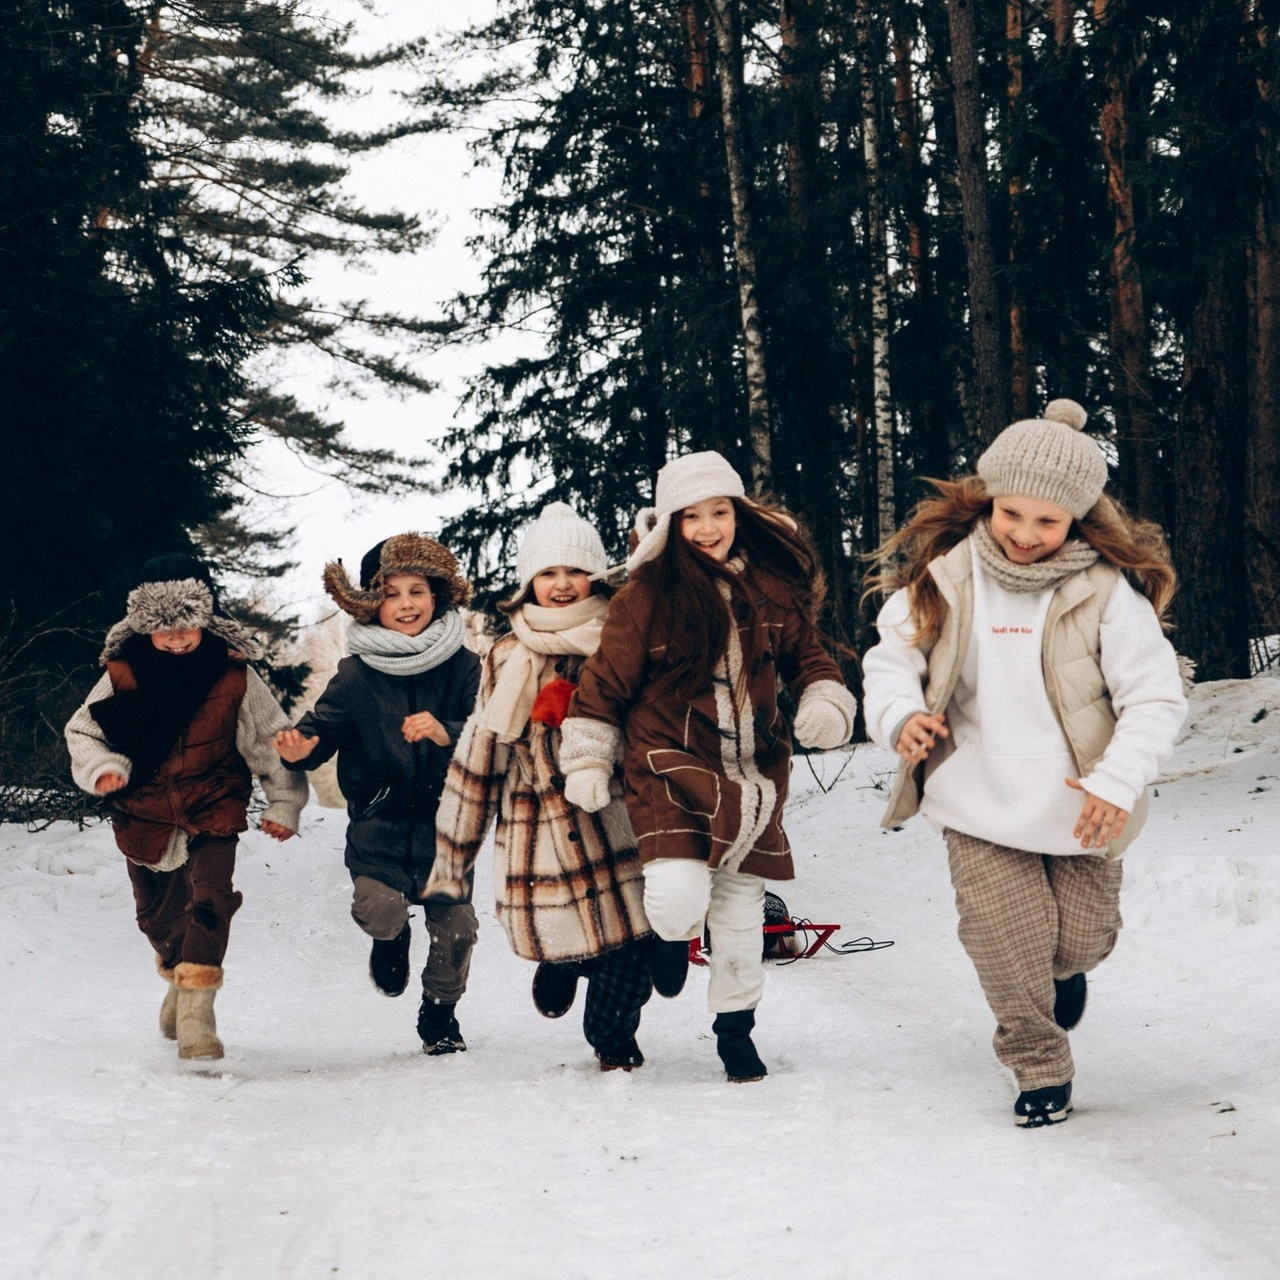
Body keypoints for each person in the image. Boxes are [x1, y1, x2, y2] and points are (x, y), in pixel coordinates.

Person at [861, 399, 1187, 1127]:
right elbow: (890, 662)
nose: (1025, 534)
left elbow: (1155, 698)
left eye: (1049, 521)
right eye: (1012, 513)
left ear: (1079, 518)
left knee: (1081, 940)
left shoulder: (1106, 592)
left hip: (1082, 804)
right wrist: (902, 717)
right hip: (975, 797)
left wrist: (1116, 782)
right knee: (1004, 942)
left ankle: (1065, 973)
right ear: (989, 499)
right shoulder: (946, 577)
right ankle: (1039, 1064)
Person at [559, 452, 856, 1082]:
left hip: (752, 778)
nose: (707, 527)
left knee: (741, 914)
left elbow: (810, 658)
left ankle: (735, 1031)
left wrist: (825, 700)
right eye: (691, 516)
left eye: (719, 512)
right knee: (676, 895)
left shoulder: (771, 588)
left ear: (739, 515)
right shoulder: (645, 599)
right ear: (670, 525)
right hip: (668, 767)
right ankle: (670, 937)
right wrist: (587, 757)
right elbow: (603, 686)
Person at [427, 503, 653, 1071]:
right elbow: (483, 748)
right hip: (539, 827)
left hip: (616, 815)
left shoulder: (624, 639)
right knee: (567, 926)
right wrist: (455, 849)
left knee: (635, 943)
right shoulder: (507, 655)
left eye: (575, 571)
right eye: (548, 573)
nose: (562, 584)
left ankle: (611, 1037)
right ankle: (565, 960)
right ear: (529, 583)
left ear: (596, 576)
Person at [65, 553, 306, 1062]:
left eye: (187, 626)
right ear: (143, 625)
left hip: (213, 803)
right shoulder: (122, 673)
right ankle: (179, 976)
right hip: (143, 811)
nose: (177, 639)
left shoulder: (232, 674)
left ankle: (198, 1017)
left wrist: (284, 802)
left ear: (205, 619)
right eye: (163, 629)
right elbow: (82, 730)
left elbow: (271, 739)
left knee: (211, 902)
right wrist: (102, 766)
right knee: (157, 919)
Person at [275, 534, 481, 1055]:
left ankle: (440, 1012)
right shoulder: (356, 674)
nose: (406, 604)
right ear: (371, 603)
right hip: (379, 823)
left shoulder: (464, 667)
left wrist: (447, 732)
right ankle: (392, 940)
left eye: (417, 591)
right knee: (380, 907)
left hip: (447, 826)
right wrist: (301, 749)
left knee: (458, 929)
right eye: (391, 594)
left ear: (437, 596)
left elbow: (491, 734)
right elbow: (322, 728)